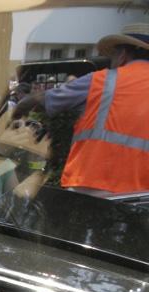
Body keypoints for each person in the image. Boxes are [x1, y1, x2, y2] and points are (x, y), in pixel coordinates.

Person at [12, 23, 149, 193]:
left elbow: (42, 100)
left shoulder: (102, 81)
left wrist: (16, 111)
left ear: (123, 55)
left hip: (92, 187)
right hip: (142, 195)